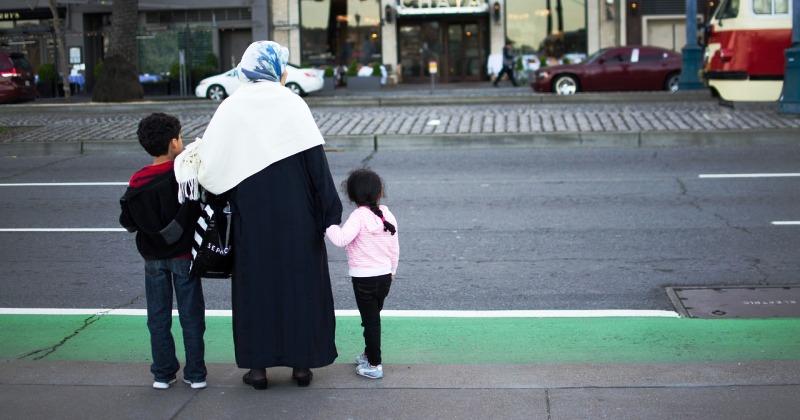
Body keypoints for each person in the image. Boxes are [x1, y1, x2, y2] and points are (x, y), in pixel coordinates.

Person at [174, 41, 342, 390]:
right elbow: (316, 166)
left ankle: (257, 369)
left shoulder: (231, 107)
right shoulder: (293, 104)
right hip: (299, 218)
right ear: (277, 69)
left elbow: (213, 171)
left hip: (251, 220)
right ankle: (301, 365)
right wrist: (329, 213)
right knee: (302, 289)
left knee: (255, 291)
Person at [119, 113, 206, 390]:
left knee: (158, 316)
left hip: (152, 259)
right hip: (184, 256)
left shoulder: (137, 180)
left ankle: (163, 373)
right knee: (191, 316)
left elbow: (128, 221)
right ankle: (195, 374)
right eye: (180, 137)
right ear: (173, 143)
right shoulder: (184, 176)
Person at [325, 169, 399, 380]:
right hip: (385, 277)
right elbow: (395, 247)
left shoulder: (358, 216)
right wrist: (392, 270)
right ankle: (368, 354)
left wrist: (327, 224)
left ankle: (375, 364)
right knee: (372, 318)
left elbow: (340, 239)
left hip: (364, 278)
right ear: (379, 192)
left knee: (371, 321)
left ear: (352, 195)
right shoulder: (387, 213)